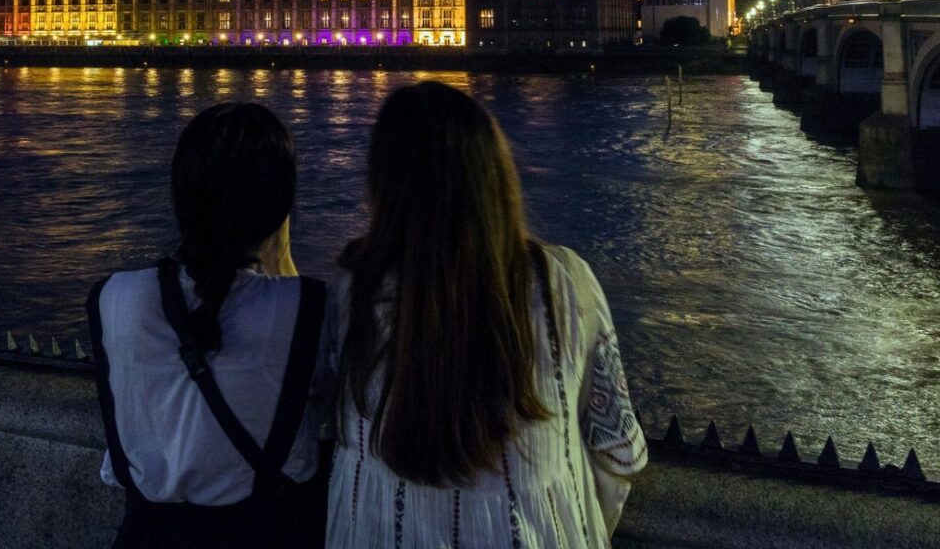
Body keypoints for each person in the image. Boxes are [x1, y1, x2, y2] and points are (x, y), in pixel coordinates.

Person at [329, 81, 648, 548]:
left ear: (384, 185)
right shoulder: (564, 282)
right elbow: (619, 454)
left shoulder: (351, 290)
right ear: (495, 176)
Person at [88, 103, 330, 549]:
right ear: (281, 206)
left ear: (180, 194)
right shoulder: (307, 305)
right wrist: (280, 252)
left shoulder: (113, 297)